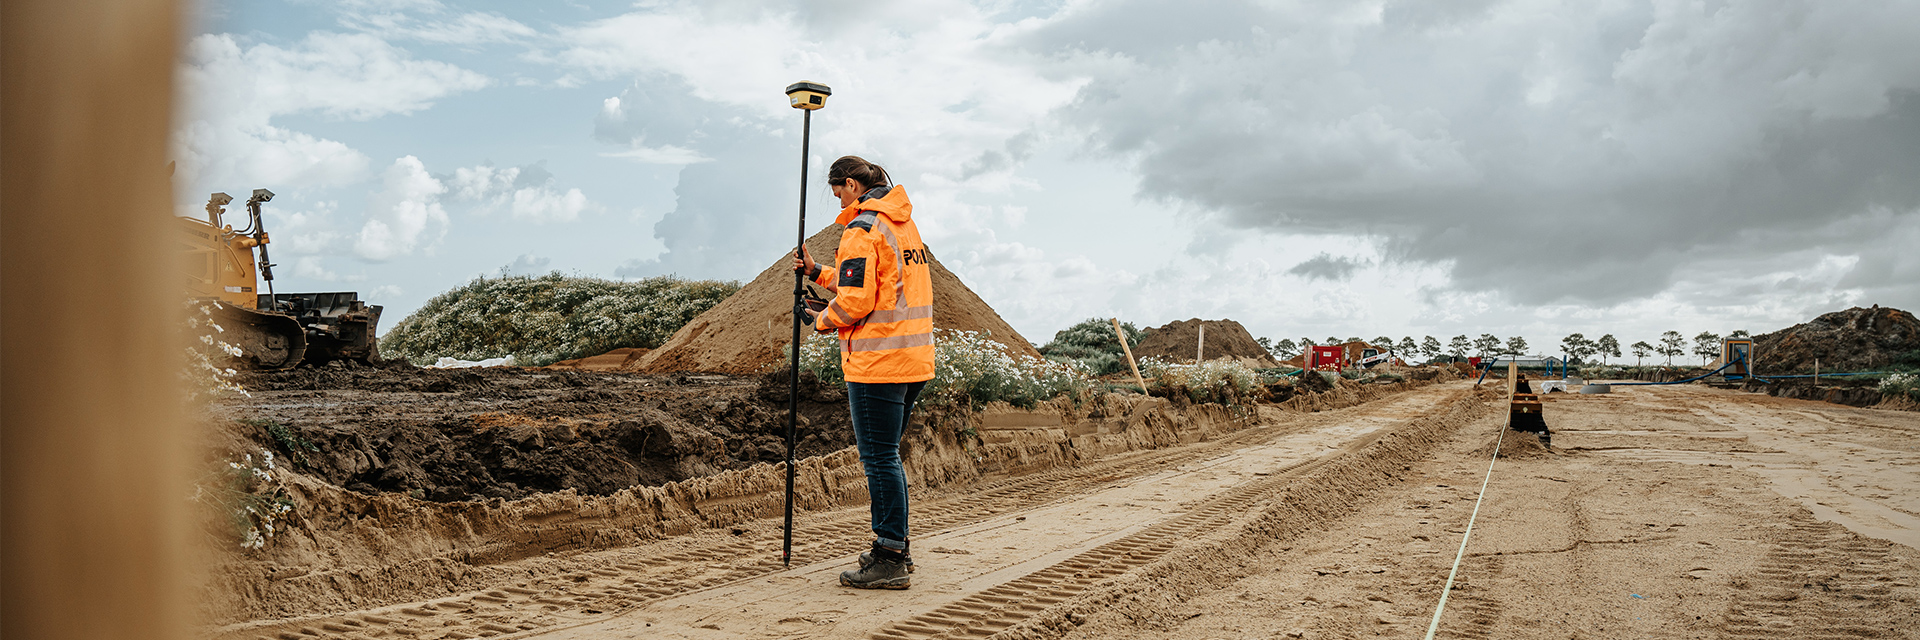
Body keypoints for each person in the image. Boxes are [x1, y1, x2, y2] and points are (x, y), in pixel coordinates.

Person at [792, 155, 934, 590]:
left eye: (838, 193)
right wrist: (818, 273)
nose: (838, 203)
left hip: (878, 364)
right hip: (913, 360)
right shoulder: (901, 225)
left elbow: (855, 303)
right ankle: (897, 549)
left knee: (879, 460)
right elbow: (878, 285)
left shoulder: (862, 229)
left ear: (851, 185)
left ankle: (889, 556)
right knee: (888, 456)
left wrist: (819, 319)